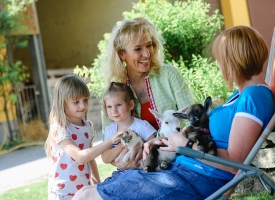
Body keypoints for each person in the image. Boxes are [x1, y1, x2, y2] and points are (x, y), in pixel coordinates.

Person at [73, 26, 274, 200]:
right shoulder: (240, 96)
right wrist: (165, 141)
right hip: (180, 169)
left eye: (220, 59)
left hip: (194, 178)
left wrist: (183, 144)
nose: (218, 65)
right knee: (84, 193)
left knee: (87, 197)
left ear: (234, 61)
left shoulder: (254, 96)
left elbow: (233, 163)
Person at [101, 17, 194, 170]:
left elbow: (190, 119)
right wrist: (119, 163)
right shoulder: (115, 90)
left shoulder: (169, 74)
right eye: (138, 49)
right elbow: (109, 142)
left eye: (149, 45)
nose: (146, 54)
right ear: (122, 54)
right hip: (137, 166)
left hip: (177, 157)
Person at [44, 74, 123, 200]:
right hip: (62, 193)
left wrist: (97, 184)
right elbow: (81, 157)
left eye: (85, 100)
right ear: (63, 103)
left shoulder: (87, 126)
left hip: (82, 190)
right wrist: (110, 141)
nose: (82, 106)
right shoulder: (60, 128)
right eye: (76, 102)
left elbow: (90, 159)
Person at [101, 82, 156, 178]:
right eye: (109, 106)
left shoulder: (142, 126)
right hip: (121, 174)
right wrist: (121, 146)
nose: (114, 111)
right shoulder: (110, 130)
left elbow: (154, 148)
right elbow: (105, 158)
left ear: (131, 105)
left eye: (118, 105)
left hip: (142, 173)